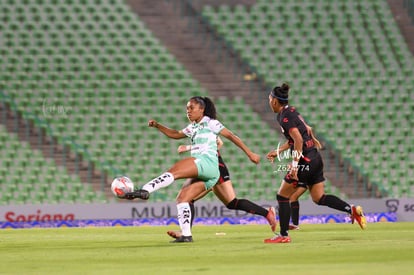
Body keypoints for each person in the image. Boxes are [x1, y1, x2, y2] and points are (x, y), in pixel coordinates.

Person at [124, 96, 260, 243]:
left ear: (201, 110)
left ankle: (145, 190)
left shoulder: (211, 123)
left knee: (175, 171)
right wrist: (158, 125)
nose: (188, 112)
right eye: (187, 109)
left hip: (208, 163)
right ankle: (186, 235)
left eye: (191, 108)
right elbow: (175, 134)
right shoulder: (192, 127)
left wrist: (250, 153)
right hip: (209, 175)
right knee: (183, 199)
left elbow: (231, 136)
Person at [264, 83, 367, 244]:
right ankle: (351, 209)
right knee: (319, 198)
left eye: (270, 99)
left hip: (305, 160)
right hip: (315, 158)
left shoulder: (285, 116)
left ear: (275, 101)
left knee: (282, 196)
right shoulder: (292, 111)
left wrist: (295, 164)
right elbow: (306, 130)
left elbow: (298, 139)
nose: (269, 101)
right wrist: (279, 151)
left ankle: (283, 235)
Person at [167, 137, 277, 239]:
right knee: (189, 199)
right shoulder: (194, 128)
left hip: (213, 167)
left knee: (230, 203)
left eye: (190, 114)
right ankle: (185, 233)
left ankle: (267, 213)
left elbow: (219, 142)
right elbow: (218, 143)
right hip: (205, 167)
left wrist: (187, 147)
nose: (189, 115)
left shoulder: (207, 125)